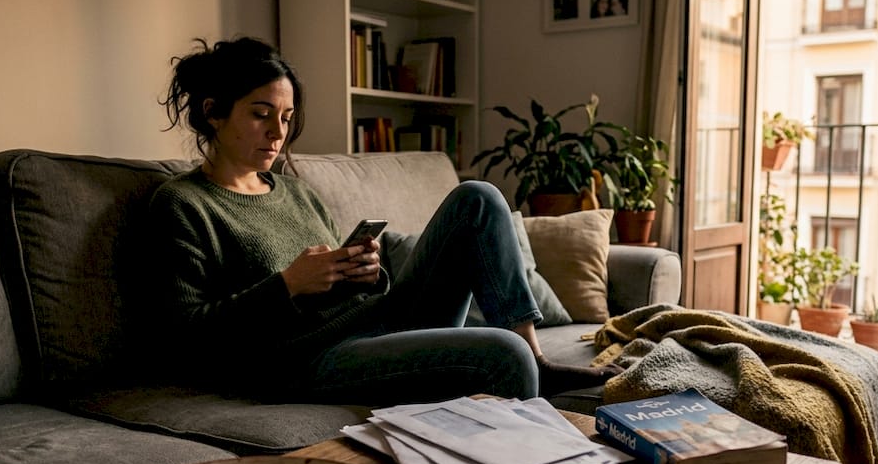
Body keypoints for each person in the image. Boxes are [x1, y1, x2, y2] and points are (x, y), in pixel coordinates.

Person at [150, 37, 619, 406]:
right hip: (305, 362)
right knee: (504, 356)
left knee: (478, 198)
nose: (279, 133)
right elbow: (188, 338)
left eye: (288, 118)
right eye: (261, 114)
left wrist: (366, 273)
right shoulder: (184, 205)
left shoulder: (294, 190)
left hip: (379, 323)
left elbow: (342, 286)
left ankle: (538, 356)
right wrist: (288, 285)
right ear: (213, 112)